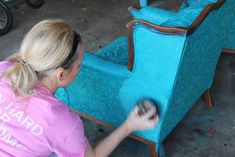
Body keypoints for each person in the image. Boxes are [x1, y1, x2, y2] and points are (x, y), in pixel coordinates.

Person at [0, 19, 159, 157]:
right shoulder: (60, 122)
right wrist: (129, 125)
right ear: (61, 75)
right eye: (79, 65)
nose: (80, 69)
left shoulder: (4, 68)